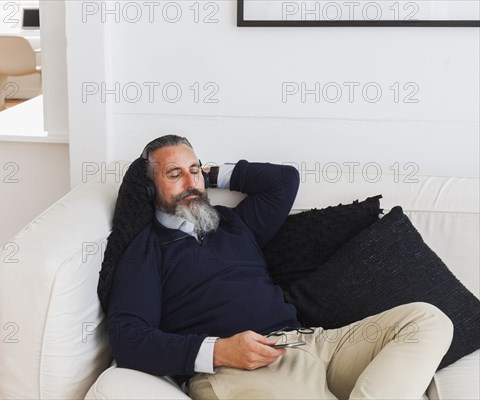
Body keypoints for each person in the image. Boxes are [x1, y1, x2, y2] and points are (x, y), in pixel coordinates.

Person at [107, 135, 454, 399]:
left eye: (194, 170)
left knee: (428, 320)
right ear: (151, 187)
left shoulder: (231, 223)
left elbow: (283, 180)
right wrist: (220, 350)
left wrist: (208, 176)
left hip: (313, 344)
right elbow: (128, 341)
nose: (190, 183)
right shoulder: (146, 251)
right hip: (240, 369)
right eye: (174, 175)